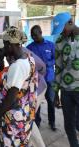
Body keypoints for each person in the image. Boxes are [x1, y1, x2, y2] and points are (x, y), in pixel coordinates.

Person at [0, 27, 38, 147]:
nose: (5, 48)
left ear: (10, 45)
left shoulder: (17, 66)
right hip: (26, 114)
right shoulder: (29, 58)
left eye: (5, 45)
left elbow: (11, 98)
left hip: (15, 120)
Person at [52, 12, 79, 147]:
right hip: (66, 91)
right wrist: (55, 92)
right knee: (69, 125)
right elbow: (58, 68)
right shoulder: (59, 41)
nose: (61, 33)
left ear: (70, 22)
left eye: (62, 30)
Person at [27, 25, 56, 130]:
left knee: (51, 101)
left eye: (35, 35)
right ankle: (37, 122)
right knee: (36, 102)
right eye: (32, 36)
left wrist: (48, 63)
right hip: (37, 80)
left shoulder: (51, 45)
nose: (34, 37)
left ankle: (52, 122)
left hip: (49, 79)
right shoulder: (30, 47)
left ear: (40, 32)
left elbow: (56, 59)